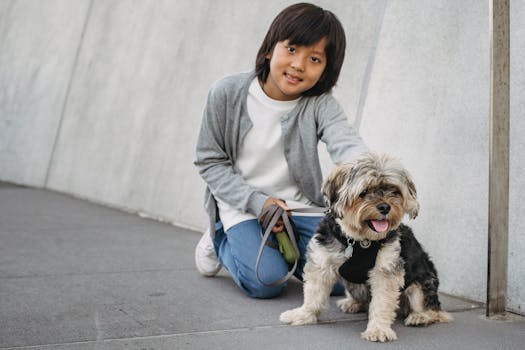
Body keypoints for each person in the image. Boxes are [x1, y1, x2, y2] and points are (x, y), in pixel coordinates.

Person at [193, 2, 367, 299]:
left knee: (344, 282)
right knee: (266, 281)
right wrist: (257, 202)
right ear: (269, 48)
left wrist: (369, 173)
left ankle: (285, 248)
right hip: (242, 205)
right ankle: (220, 238)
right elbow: (210, 161)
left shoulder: (319, 104)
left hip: (300, 207)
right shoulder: (227, 92)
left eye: (315, 58)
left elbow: (345, 142)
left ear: (326, 69)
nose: (299, 65)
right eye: (291, 49)